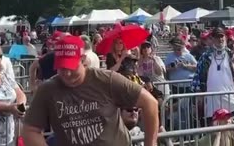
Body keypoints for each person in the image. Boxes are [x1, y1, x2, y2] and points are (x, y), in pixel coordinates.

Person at [22, 35, 159, 146]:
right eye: (62, 68)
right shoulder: (48, 89)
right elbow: (30, 130)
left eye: (71, 68)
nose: (67, 74)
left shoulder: (106, 80)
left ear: (83, 60)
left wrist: (150, 143)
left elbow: (150, 102)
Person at [192, 27, 234, 124]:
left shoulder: (232, 55)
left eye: (222, 36)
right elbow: (198, 77)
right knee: (213, 133)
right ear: (212, 39)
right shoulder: (205, 57)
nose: (220, 39)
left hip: (232, 100)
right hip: (211, 101)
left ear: (225, 38)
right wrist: (200, 99)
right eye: (217, 37)